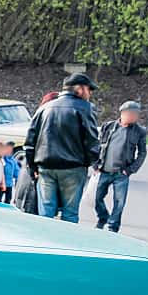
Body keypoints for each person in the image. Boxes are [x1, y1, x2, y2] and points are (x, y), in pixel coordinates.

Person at [24, 72, 101, 222]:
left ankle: (45, 241)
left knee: (45, 212)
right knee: (70, 213)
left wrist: (32, 167)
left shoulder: (45, 108)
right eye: (89, 89)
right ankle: (66, 243)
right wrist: (91, 161)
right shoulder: (85, 108)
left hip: (45, 166)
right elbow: (92, 140)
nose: (90, 93)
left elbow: (30, 141)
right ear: (79, 89)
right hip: (73, 166)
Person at [94, 100, 148, 233]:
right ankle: (103, 217)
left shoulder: (139, 131)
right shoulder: (109, 126)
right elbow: (97, 145)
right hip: (104, 170)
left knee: (119, 202)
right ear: (123, 113)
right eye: (133, 114)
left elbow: (142, 152)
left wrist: (131, 169)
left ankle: (113, 227)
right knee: (97, 198)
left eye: (137, 114)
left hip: (122, 173)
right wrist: (95, 164)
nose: (136, 117)